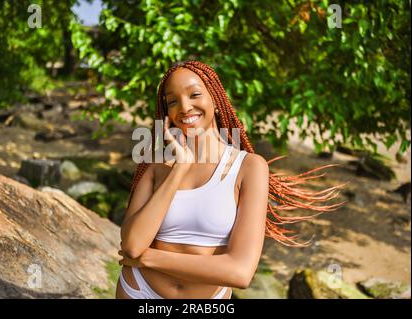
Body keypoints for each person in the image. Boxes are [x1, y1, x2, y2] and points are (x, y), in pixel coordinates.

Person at [116, 60, 347, 299]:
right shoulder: (157, 167)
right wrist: (179, 169)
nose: (184, 107)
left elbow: (240, 273)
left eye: (195, 94)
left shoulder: (249, 167)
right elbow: (132, 245)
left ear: (216, 100)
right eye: (172, 101)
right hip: (140, 292)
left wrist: (151, 258)